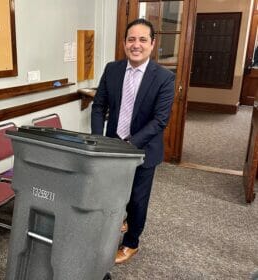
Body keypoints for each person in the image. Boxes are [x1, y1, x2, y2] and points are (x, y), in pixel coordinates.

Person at [91, 18, 175, 264]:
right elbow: (99, 107)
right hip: (112, 148)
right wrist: (99, 140)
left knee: (137, 199)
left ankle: (132, 243)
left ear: (152, 44)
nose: (135, 45)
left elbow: (160, 121)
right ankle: (118, 222)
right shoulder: (112, 69)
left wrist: (129, 144)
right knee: (111, 194)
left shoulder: (163, 77)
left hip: (143, 150)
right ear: (124, 43)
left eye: (142, 39)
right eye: (131, 39)